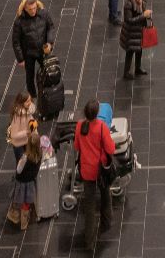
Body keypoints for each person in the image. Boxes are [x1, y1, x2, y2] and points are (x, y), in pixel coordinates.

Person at [74, 99, 117, 249]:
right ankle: (106, 222)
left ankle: (89, 241)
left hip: (86, 170)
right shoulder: (101, 127)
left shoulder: (80, 125)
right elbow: (111, 149)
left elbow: (76, 146)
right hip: (101, 170)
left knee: (90, 205)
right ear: (97, 113)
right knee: (106, 195)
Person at [11, 0, 56, 96]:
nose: (33, 11)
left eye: (34, 8)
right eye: (30, 9)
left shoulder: (44, 14)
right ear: (25, 9)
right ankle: (32, 96)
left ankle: (47, 91)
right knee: (29, 77)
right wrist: (20, 59)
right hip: (28, 53)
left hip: (43, 50)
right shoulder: (19, 21)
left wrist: (49, 42)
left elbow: (51, 28)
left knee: (48, 72)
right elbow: (16, 41)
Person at [10, 130, 44, 230]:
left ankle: (15, 216)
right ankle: (24, 222)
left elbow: (19, 170)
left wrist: (20, 161)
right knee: (26, 202)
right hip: (30, 182)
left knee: (17, 199)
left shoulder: (25, 157)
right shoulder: (39, 154)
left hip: (22, 181)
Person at [119, 0, 152, 79]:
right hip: (131, 33)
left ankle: (138, 68)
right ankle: (126, 72)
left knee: (139, 50)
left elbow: (143, 12)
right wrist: (143, 16)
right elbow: (129, 21)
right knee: (130, 53)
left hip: (139, 31)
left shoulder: (142, 0)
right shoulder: (128, 5)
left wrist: (147, 14)